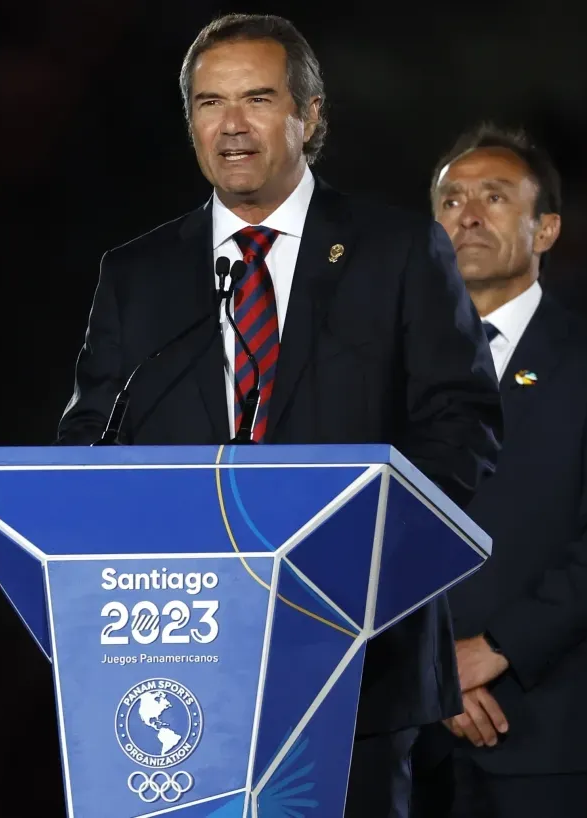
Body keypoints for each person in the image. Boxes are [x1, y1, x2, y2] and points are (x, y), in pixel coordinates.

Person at [55, 13, 502, 818]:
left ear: (311, 115)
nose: (230, 124)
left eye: (257, 98)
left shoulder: (397, 252)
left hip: (356, 652)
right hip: (180, 658)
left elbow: (460, 428)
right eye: (208, 102)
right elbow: (90, 444)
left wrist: (363, 558)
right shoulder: (137, 274)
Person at [417, 123, 587, 817]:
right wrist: (430, 670)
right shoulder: (383, 371)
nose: (467, 214)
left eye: (494, 198)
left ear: (546, 230)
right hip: (409, 740)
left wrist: (490, 652)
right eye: (451, 200)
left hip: (554, 740)